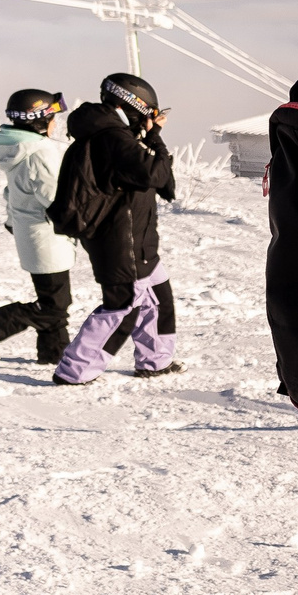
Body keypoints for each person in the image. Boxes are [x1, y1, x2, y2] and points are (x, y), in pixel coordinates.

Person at [50, 74, 181, 383]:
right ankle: (74, 371)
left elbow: (162, 184)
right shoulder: (112, 136)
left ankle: (155, 360)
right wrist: (156, 137)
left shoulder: (114, 133)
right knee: (121, 304)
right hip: (121, 241)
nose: (150, 122)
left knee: (157, 298)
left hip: (137, 240)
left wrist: (149, 137)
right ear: (132, 106)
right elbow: (155, 174)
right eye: (148, 114)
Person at [0, 89, 73, 364]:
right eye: (53, 117)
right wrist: (79, 221)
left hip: (31, 232)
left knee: (53, 299)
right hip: (46, 235)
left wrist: (14, 223)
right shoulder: (40, 152)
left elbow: (12, 194)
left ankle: (54, 354)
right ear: (39, 119)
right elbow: (52, 197)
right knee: (54, 305)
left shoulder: (18, 150)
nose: (56, 123)